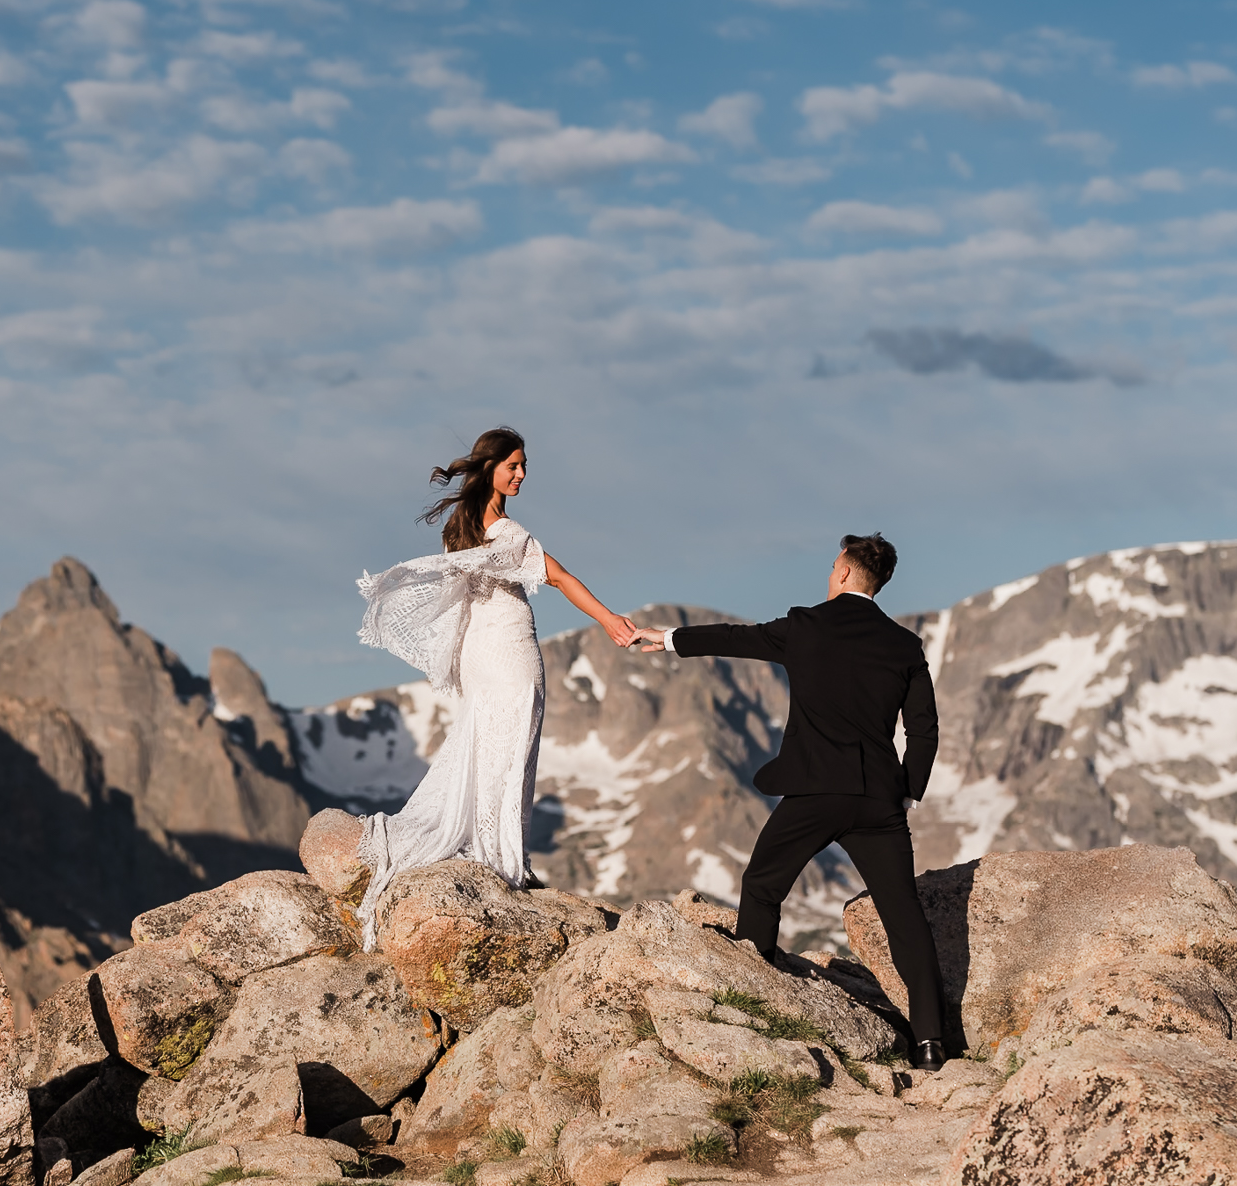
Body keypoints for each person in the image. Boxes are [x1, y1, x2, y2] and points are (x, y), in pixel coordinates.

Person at [629, 533, 948, 1071]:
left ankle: (757, 1004)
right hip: (879, 800)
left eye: (832, 567)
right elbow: (925, 730)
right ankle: (931, 1043)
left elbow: (737, 638)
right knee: (903, 916)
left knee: (762, 884)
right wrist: (907, 789)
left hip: (816, 791)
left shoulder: (807, 626)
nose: (830, 575)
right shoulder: (903, 645)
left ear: (845, 573)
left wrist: (667, 639)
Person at [351, 427, 637, 949]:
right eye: (514, 466)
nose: (522, 474)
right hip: (508, 654)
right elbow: (560, 576)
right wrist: (609, 619)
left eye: (524, 466)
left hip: (481, 655)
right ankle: (501, 860)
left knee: (492, 749)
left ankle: (493, 852)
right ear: (490, 468)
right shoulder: (508, 533)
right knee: (511, 755)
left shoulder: (458, 530)